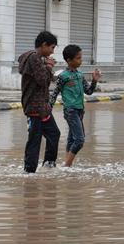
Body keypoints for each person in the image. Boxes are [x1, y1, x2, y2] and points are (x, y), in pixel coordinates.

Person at [49, 44, 101, 167]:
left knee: (72, 138)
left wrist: (94, 80)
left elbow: (88, 91)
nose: (81, 60)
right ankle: (67, 165)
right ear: (69, 60)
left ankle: (67, 165)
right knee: (80, 139)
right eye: (78, 58)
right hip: (70, 111)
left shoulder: (80, 75)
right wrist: (48, 108)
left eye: (81, 57)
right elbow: (55, 92)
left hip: (80, 111)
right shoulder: (63, 76)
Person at [18, 30, 59, 173]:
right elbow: (42, 80)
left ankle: (48, 165)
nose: (52, 52)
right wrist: (48, 66)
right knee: (35, 140)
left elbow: (44, 79)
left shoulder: (37, 59)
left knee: (54, 134)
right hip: (35, 106)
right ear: (44, 45)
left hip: (42, 107)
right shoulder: (34, 58)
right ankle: (29, 171)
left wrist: (48, 69)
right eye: (52, 47)